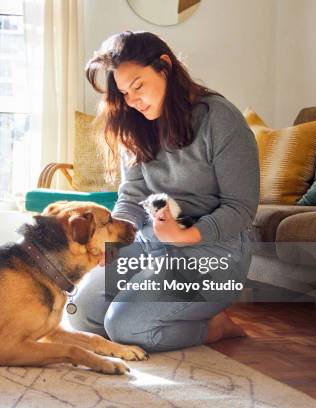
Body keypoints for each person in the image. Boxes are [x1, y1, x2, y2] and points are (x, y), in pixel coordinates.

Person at [67, 31, 260, 351]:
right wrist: (112, 240)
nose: (133, 100)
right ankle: (165, 309)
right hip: (152, 242)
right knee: (81, 313)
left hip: (214, 250)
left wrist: (185, 236)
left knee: (125, 326)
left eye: (138, 85)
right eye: (125, 92)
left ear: (165, 66)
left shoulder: (220, 119)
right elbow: (131, 196)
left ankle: (214, 326)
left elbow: (241, 209)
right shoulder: (136, 125)